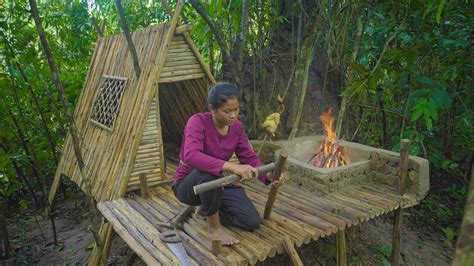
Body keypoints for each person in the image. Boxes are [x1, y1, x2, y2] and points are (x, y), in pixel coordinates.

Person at [172, 82, 276, 246]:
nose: (233, 115)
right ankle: (214, 228)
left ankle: (207, 209)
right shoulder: (197, 122)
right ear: (212, 109)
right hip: (188, 186)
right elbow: (191, 155)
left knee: (251, 221)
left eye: (236, 110)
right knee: (208, 173)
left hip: (218, 183)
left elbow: (248, 156)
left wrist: (268, 175)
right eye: (227, 111)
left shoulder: (237, 128)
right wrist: (233, 167)